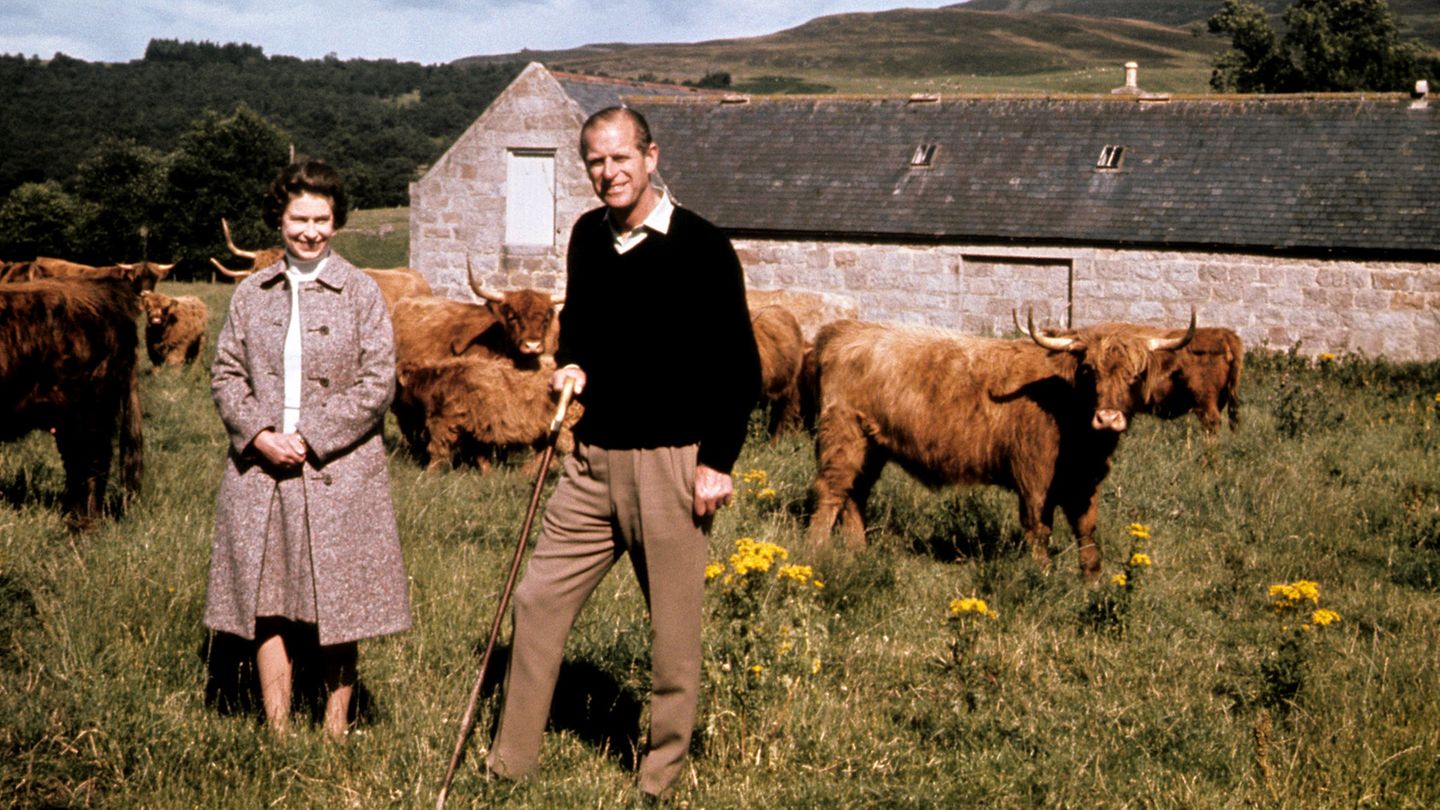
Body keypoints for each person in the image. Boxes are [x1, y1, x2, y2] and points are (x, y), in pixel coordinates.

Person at [485, 106, 762, 800]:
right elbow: (581, 326)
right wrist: (573, 364)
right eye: (595, 162)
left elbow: (740, 369)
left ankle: (658, 780)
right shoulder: (586, 236)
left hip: (672, 463)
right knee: (539, 599)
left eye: (620, 158)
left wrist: (716, 462)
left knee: (672, 638)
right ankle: (509, 765)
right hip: (591, 460)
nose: (608, 173)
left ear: (651, 156)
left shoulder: (701, 246)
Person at [205, 160, 411, 739]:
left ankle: (335, 726)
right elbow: (225, 373)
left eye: (322, 219)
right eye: (300, 218)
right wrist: (259, 435)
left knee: (338, 600)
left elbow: (378, 383)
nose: (311, 231)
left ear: (337, 222)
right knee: (267, 600)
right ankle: (275, 727)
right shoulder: (251, 293)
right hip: (261, 471)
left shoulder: (362, 293)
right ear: (280, 219)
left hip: (338, 470)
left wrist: (313, 437)